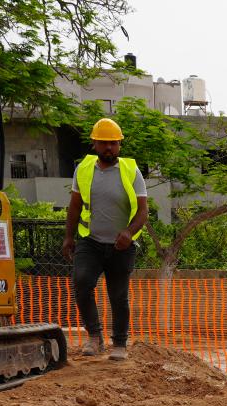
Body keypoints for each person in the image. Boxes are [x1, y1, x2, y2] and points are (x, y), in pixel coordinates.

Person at [61, 118, 149, 361]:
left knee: (118, 296)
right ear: (94, 144)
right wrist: (69, 236)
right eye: (104, 143)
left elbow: (143, 211)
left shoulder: (132, 172)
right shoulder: (83, 169)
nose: (109, 147)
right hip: (91, 241)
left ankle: (119, 343)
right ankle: (94, 337)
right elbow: (75, 205)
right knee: (81, 283)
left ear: (119, 145)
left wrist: (129, 233)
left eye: (113, 143)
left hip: (122, 246)